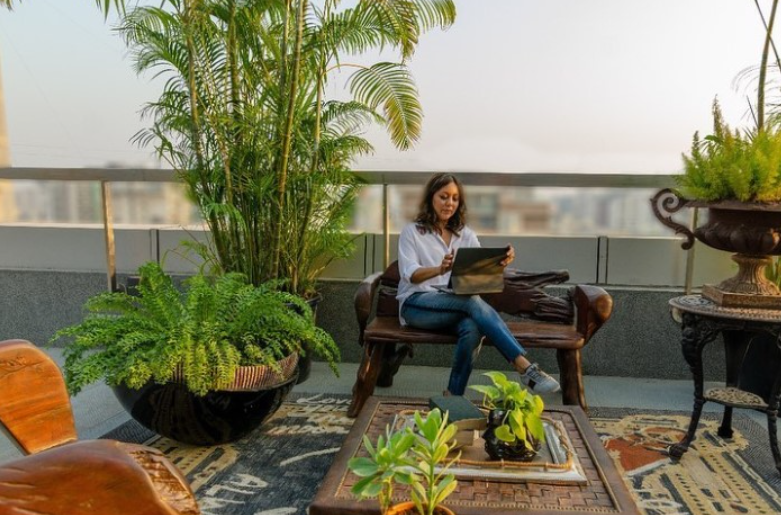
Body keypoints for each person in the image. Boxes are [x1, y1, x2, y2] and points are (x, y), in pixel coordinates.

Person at [396, 173, 561, 396]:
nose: (449, 203)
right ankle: (523, 365)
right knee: (470, 301)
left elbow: (478, 275)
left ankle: (453, 395)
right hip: (416, 305)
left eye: (454, 198)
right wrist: (440, 269)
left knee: (473, 328)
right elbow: (410, 275)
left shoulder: (465, 235)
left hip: (453, 305)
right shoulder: (412, 232)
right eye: (444, 197)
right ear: (430, 199)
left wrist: (498, 263)